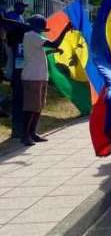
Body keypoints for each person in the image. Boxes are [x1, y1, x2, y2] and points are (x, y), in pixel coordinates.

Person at [19, 15, 70, 146]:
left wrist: (52, 51)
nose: (42, 31)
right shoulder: (31, 35)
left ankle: (32, 133)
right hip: (33, 77)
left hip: (40, 76)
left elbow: (38, 53)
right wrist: (65, 30)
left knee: (38, 107)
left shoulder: (35, 37)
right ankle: (25, 136)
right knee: (30, 108)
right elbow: (54, 43)